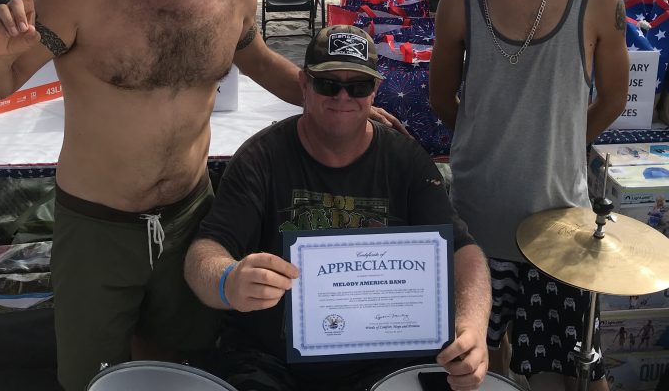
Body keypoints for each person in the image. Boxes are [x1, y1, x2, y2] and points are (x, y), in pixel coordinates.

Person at [0, 0, 403, 391]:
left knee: (185, 368)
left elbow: (262, 62)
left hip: (192, 218)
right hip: (98, 226)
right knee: (90, 377)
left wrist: (339, 98)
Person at [185, 25, 491, 391]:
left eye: (358, 86)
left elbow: (462, 250)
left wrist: (472, 325)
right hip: (270, 361)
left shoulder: (406, 161)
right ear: (304, 84)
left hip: (381, 360)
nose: (343, 96)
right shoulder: (260, 158)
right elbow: (204, 252)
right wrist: (228, 281)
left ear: (374, 90)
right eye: (328, 84)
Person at [429, 0, 629, 390]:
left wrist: (558, 142)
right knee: (477, 369)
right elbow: (442, 99)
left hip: (560, 224)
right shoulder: (459, 4)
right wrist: (491, 140)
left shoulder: (599, 2)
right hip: (478, 223)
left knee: (566, 375)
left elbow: (613, 97)